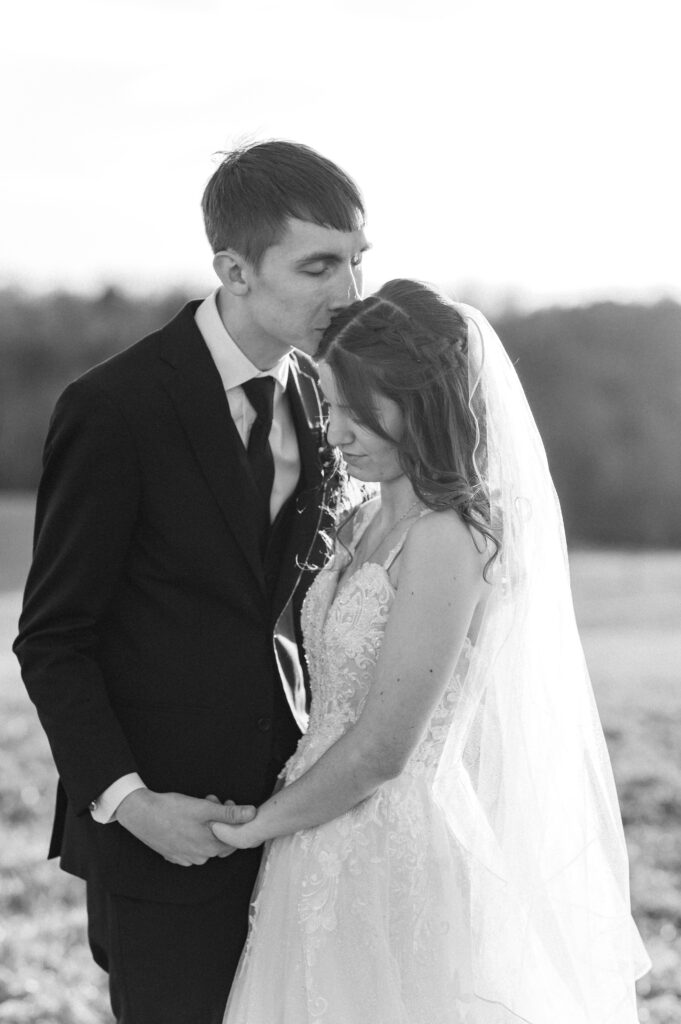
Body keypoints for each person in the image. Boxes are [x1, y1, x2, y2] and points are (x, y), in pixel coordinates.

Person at [212, 279, 650, 1024]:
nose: (336, 432)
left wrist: (257, 824)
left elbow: (384, 749)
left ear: (422, 403)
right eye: (329, 405)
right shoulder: (355, 523)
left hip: (391, 845)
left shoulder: (449, 537)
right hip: (311, 833)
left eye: (359, 410)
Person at [14, 140, 369, 1024]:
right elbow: (53, 639)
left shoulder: (328, 400)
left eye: (356, 261)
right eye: (319, 265)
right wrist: (129, 804)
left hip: (298, 823)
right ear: (234, 270)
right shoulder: (115, 407)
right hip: (161, 838)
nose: (349, 292)